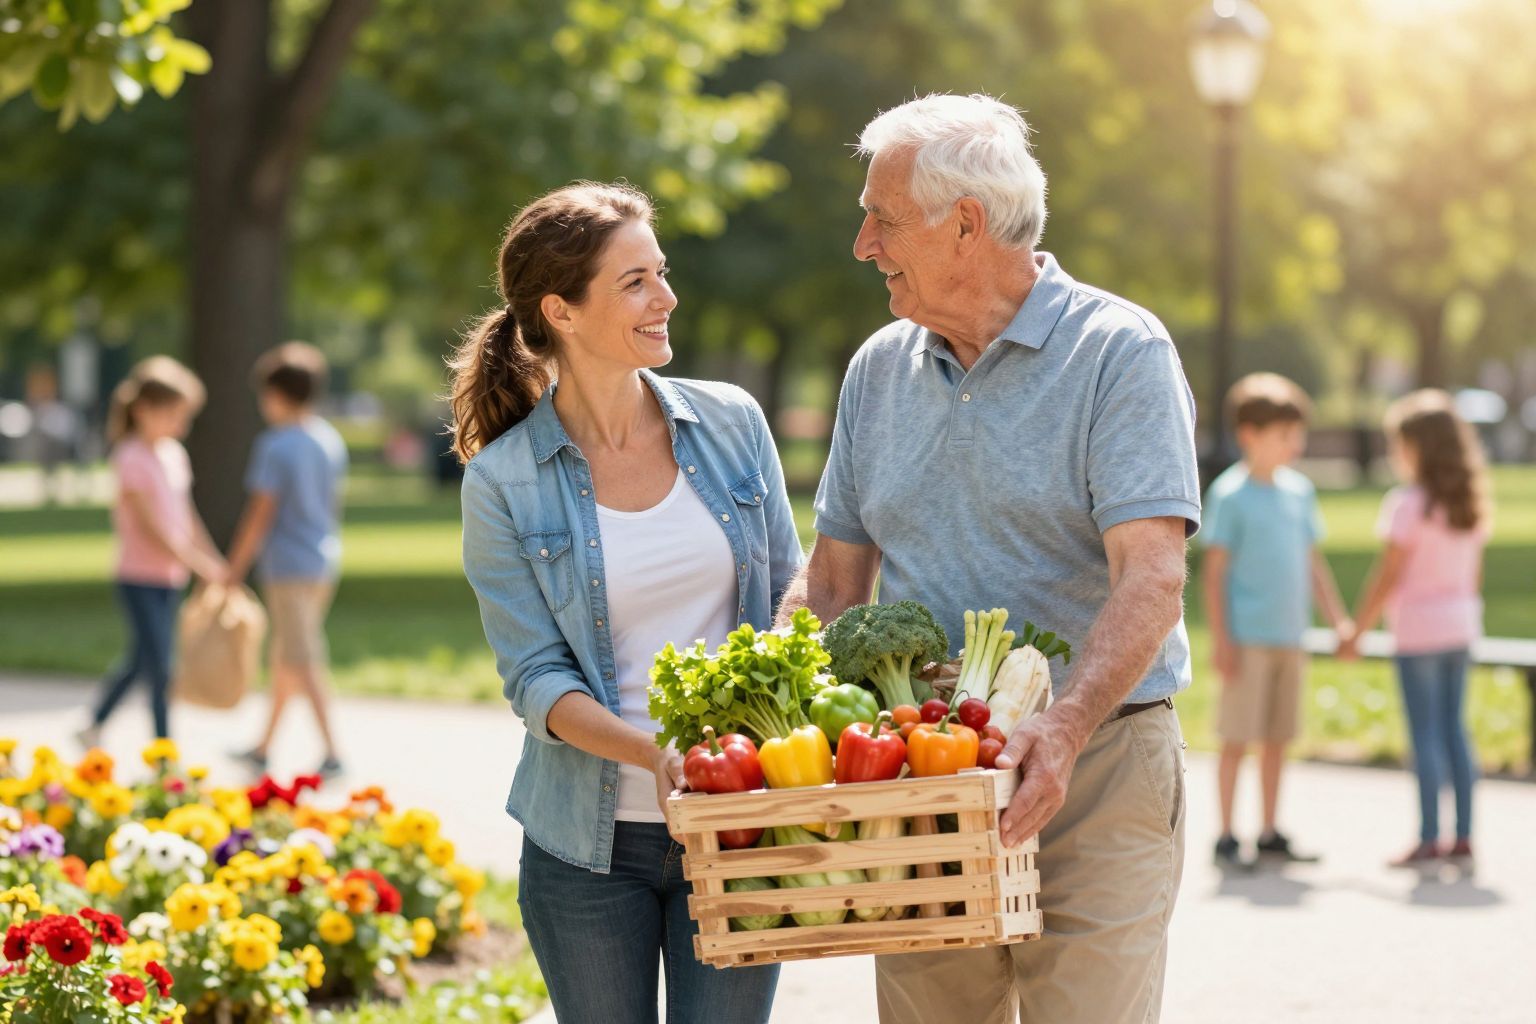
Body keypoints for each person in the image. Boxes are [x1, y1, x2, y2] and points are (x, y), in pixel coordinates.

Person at [777, 94, 1199, 1023]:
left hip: (1098, 764)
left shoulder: (1117, 351)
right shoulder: (878, 368)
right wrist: (773, 716)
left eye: (882, 219)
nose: (863, 245)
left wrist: (1065, 727)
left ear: (965, 223)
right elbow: (835, 581)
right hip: (923, 777)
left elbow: (1153, 576)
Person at [454, 182, 799, 1023]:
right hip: (587, 849)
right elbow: (536, 679)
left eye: (662, 272)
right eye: (636, 282)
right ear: (561, 312)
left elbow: (794, 592)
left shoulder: (732, 423)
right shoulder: (504, 481)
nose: (666, 297)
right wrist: (655, 755)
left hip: (739, 825)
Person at [1201, 373, 1352, 868]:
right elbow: (1215, 575)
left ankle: (1269, 830)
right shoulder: (1231, 495)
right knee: (1236, 738)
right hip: (1248, 640)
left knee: (1277, 739)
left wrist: (1337, 620)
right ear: (1250, 434)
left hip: (1291, 636)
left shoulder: (1299, 492)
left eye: (1297, 434)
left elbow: (1313, 564)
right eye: (1285, 434)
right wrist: (1222, 640)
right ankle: (1227, 835)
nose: (1296, 444)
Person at [1345, 389, 1491, 866]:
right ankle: (1463, 836)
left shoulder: (1407, 504)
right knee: (1455, 731)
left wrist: (1357, 630)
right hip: (1460, 628)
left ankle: (1429, 838)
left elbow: (1387, 576)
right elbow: (1474, 575)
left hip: (1419, 633)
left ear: (1417, 448)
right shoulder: (1470, 504)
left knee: (1425, 734)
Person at [77, 356, 224, 745]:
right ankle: (163, 751)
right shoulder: (130, 458)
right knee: (161, 665)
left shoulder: (174, 454)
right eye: (172, 415)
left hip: (169, 577)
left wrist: (212, 558)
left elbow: (187, 515)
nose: (180, 425)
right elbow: (152, 527)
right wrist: (195, 563)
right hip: (138, 576)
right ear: (143, 410)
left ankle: (94, 724)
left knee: (142, 659)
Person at [226, 342, 349, 778]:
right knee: (286, 658)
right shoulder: (328, 439)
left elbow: (260, 513)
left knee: (304, 657)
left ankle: (333, 753)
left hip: (287, 567)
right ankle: (262, 748)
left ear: (276, 394)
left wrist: (234, 568)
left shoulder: (275, 445)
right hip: (322, 561)